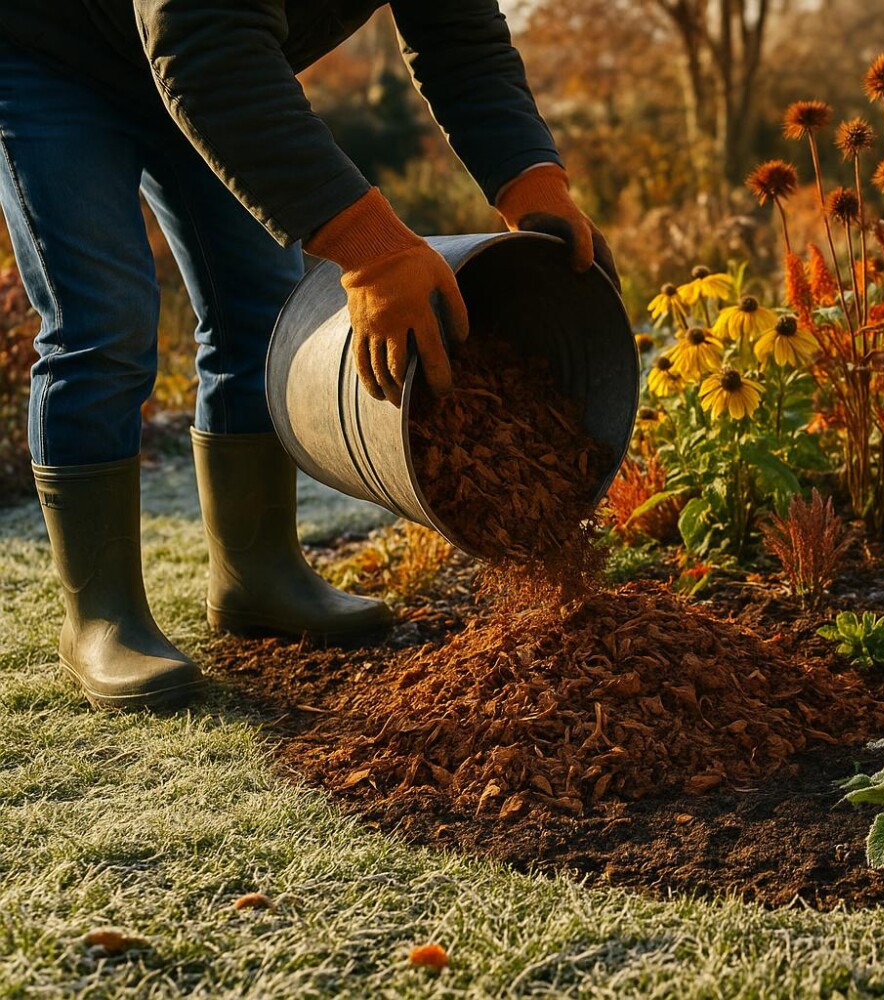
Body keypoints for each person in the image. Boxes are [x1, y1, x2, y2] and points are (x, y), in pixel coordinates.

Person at [0, 1, 615, 710]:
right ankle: (102, 618)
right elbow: (202, 41)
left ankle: (256, 573)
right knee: (102, 322)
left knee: (260, 310)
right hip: (52, 50)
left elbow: (459, 34)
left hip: (205, 62)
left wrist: (532, 184)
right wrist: (374, 251)